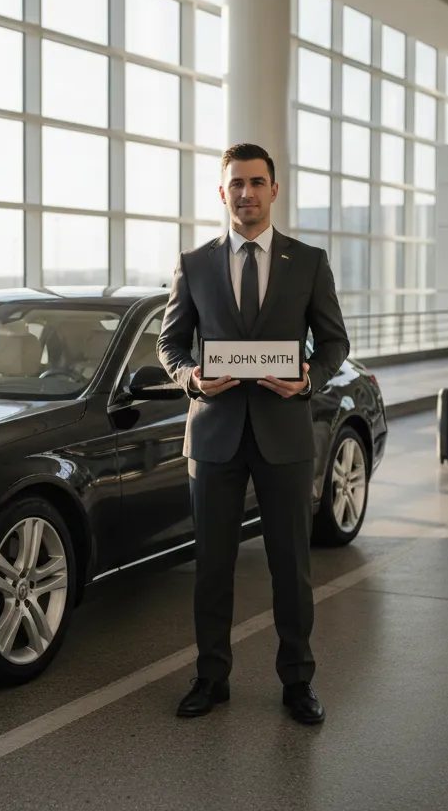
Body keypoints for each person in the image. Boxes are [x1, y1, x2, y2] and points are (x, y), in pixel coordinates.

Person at [157, 143, 350, 725]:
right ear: (223, 193)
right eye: (236, 183)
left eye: (257, 182)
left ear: (274, 190)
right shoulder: (194, 264)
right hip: (214, 436)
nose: (246, 193)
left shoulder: (309, 262)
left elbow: (335, 341)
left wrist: (309, 376)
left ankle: (297, 683)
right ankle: (211, 677)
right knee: (211, 567)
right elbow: (170, 344)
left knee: (290, 566)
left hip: (284, 433)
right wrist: (190, 377)